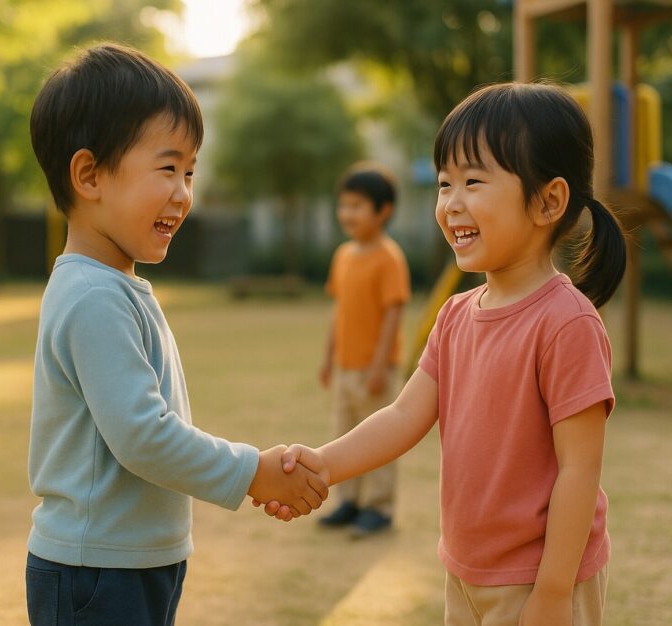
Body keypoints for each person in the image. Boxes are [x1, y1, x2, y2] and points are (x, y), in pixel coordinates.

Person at [266, 82, 626, 625]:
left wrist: (554, 591)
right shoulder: (455, 316)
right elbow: (402, 416)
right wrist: (324, 464)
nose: (451, 203)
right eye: (443, 183)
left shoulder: (566, 323)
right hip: (466, 569)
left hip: (541, 578)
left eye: (473, 181)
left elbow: (580, 469)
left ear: (547, 201)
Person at [25, 43, 328, 626]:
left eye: (190, 172)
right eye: (167, 169)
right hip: (96, 573)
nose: (184, 193)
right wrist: (253, 472)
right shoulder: (93, 296)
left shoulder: (114, 286)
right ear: (89, 175)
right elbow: (143, 436)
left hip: (129, 561)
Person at [317, 163, 410, 537]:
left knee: (380, 440)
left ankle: (379, 507)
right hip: (345, 367)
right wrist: (328, 358)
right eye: (344, 205)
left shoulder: (389, 257)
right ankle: (349, 501)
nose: (347, 214)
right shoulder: (343, 255)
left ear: (383, 211)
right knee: (344, 436)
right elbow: (339, 310)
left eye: (357, 206)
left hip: (376, 370)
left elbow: (393, 314)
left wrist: (379, 366)